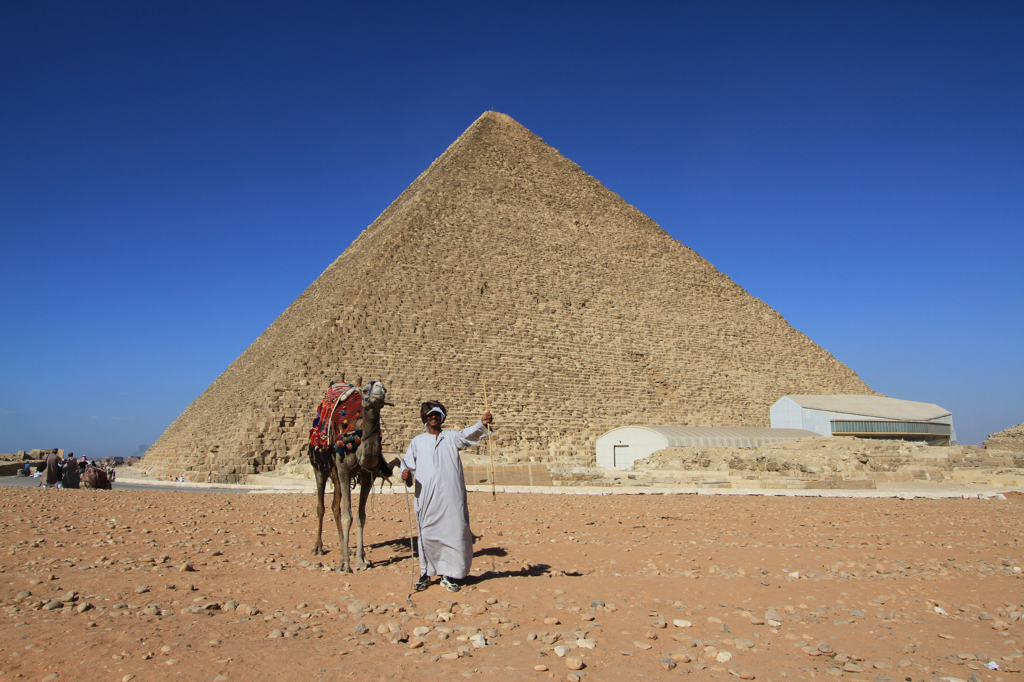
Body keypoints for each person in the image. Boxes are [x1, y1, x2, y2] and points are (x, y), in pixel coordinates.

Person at [400, 401, 493, 593]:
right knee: (426, 534)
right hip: (426, 497)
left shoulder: (451, 437)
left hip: (451, 497)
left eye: (437, 415)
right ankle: (426, 573)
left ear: (442, 418)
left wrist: (481, 423)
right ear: (425, 419)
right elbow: (407, 464)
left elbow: (467, 435)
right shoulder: (417, 441)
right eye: (430, 415)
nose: (434, 417)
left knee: (453, 532)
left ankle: (449, 575)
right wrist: (405, 473)